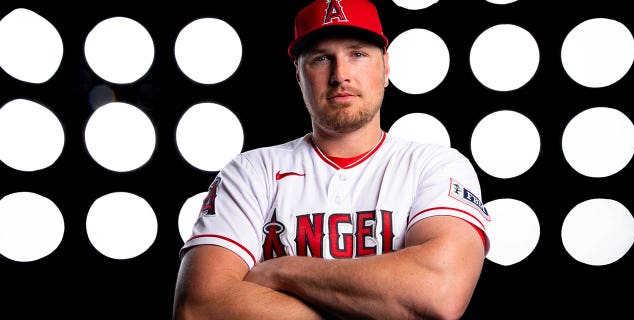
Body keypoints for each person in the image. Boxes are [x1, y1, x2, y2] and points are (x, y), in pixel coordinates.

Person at [172, 0, 491, 319]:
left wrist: (283, 271)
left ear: (386, 68)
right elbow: (198, 308)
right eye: (321, 58)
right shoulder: (251, 172)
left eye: (357, 54)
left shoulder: (435, 166)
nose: (340, 75)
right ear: (298, 75)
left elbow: (439, 293)